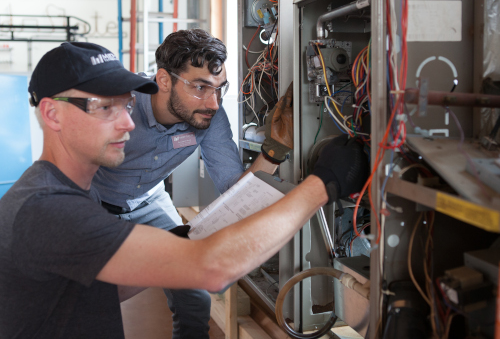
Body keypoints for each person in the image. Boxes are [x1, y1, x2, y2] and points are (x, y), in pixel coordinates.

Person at [0, 42, 368, 339]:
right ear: (52, 114)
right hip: (103, 199)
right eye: (104, 107)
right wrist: (323, 184)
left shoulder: (52, 195)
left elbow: (106, 291)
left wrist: (273, 150)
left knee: (186, 295)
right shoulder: (49, 210)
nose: (127, 122)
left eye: (126, 104)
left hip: (146, 199)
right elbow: (213, 269)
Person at [91, 28, 293, 339]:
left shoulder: (209, 118)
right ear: (164, 80)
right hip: (94, 201)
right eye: (200, 87)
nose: (213, 103)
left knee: (193, 294)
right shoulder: (119, 103)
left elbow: (234, 188)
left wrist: (275, 150)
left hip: (148, 200)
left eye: (219, 89)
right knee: (92, 299)